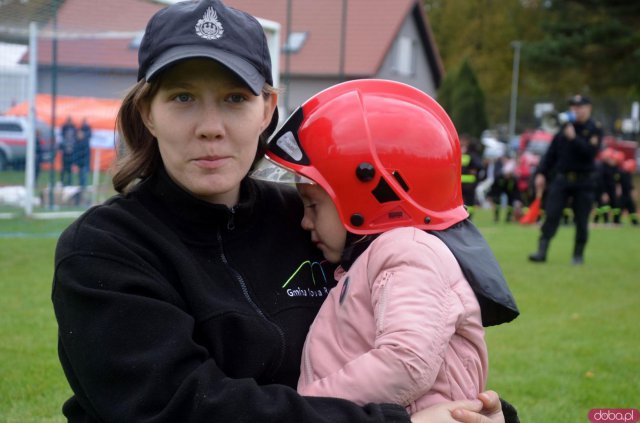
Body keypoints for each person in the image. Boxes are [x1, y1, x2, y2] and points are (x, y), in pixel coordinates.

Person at [51, 1, 511, 422]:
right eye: (182, 98)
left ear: (268, 110)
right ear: (147, 112)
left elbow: (412, 341)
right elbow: (183, 407)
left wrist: (475, 412)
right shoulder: (104, 251)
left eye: (235, 98)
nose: (211, 128)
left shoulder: (312, 221)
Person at [251, 79, 520, 414]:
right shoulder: (376, 257)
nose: (304, 221)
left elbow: (406, 360)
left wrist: (310, 408)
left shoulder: (408, 252)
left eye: (313, 205)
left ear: (367, 191)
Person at [528, 94, 603, 265]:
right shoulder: (563, 128)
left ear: (588, 108)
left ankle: (578, 254)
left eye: (579, 107)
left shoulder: (594, 129)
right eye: (573, 107)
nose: (575, 110)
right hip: (562, 179)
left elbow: (590, 153)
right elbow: (551, 154)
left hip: (584, 181)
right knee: (552, 214)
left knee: (582, 219)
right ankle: (542, 250)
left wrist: (574, 138)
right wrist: (541, 173)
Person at [460, 134, 484, 220]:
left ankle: (469, 218)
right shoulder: (459, 152)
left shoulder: (471, 154)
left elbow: (479, 165)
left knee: (470, 202)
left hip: (469, 184)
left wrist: (474, 169)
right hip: (460, 184)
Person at [74, 117, 92, 203]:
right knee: (80, 180)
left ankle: (84, 197)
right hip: (80, 164)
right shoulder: (77, 143)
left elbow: (84, 155)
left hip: (84, 164)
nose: (79, 135)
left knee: (84, 180)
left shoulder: (85, 143)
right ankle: (81, 196)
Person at [59, 116, 77, 186]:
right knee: (64, 168)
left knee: (69, 169)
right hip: (65, 152)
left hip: (71, 152)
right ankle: (62, 182)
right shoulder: (64, 128)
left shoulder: (73, 128)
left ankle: (69, 182)